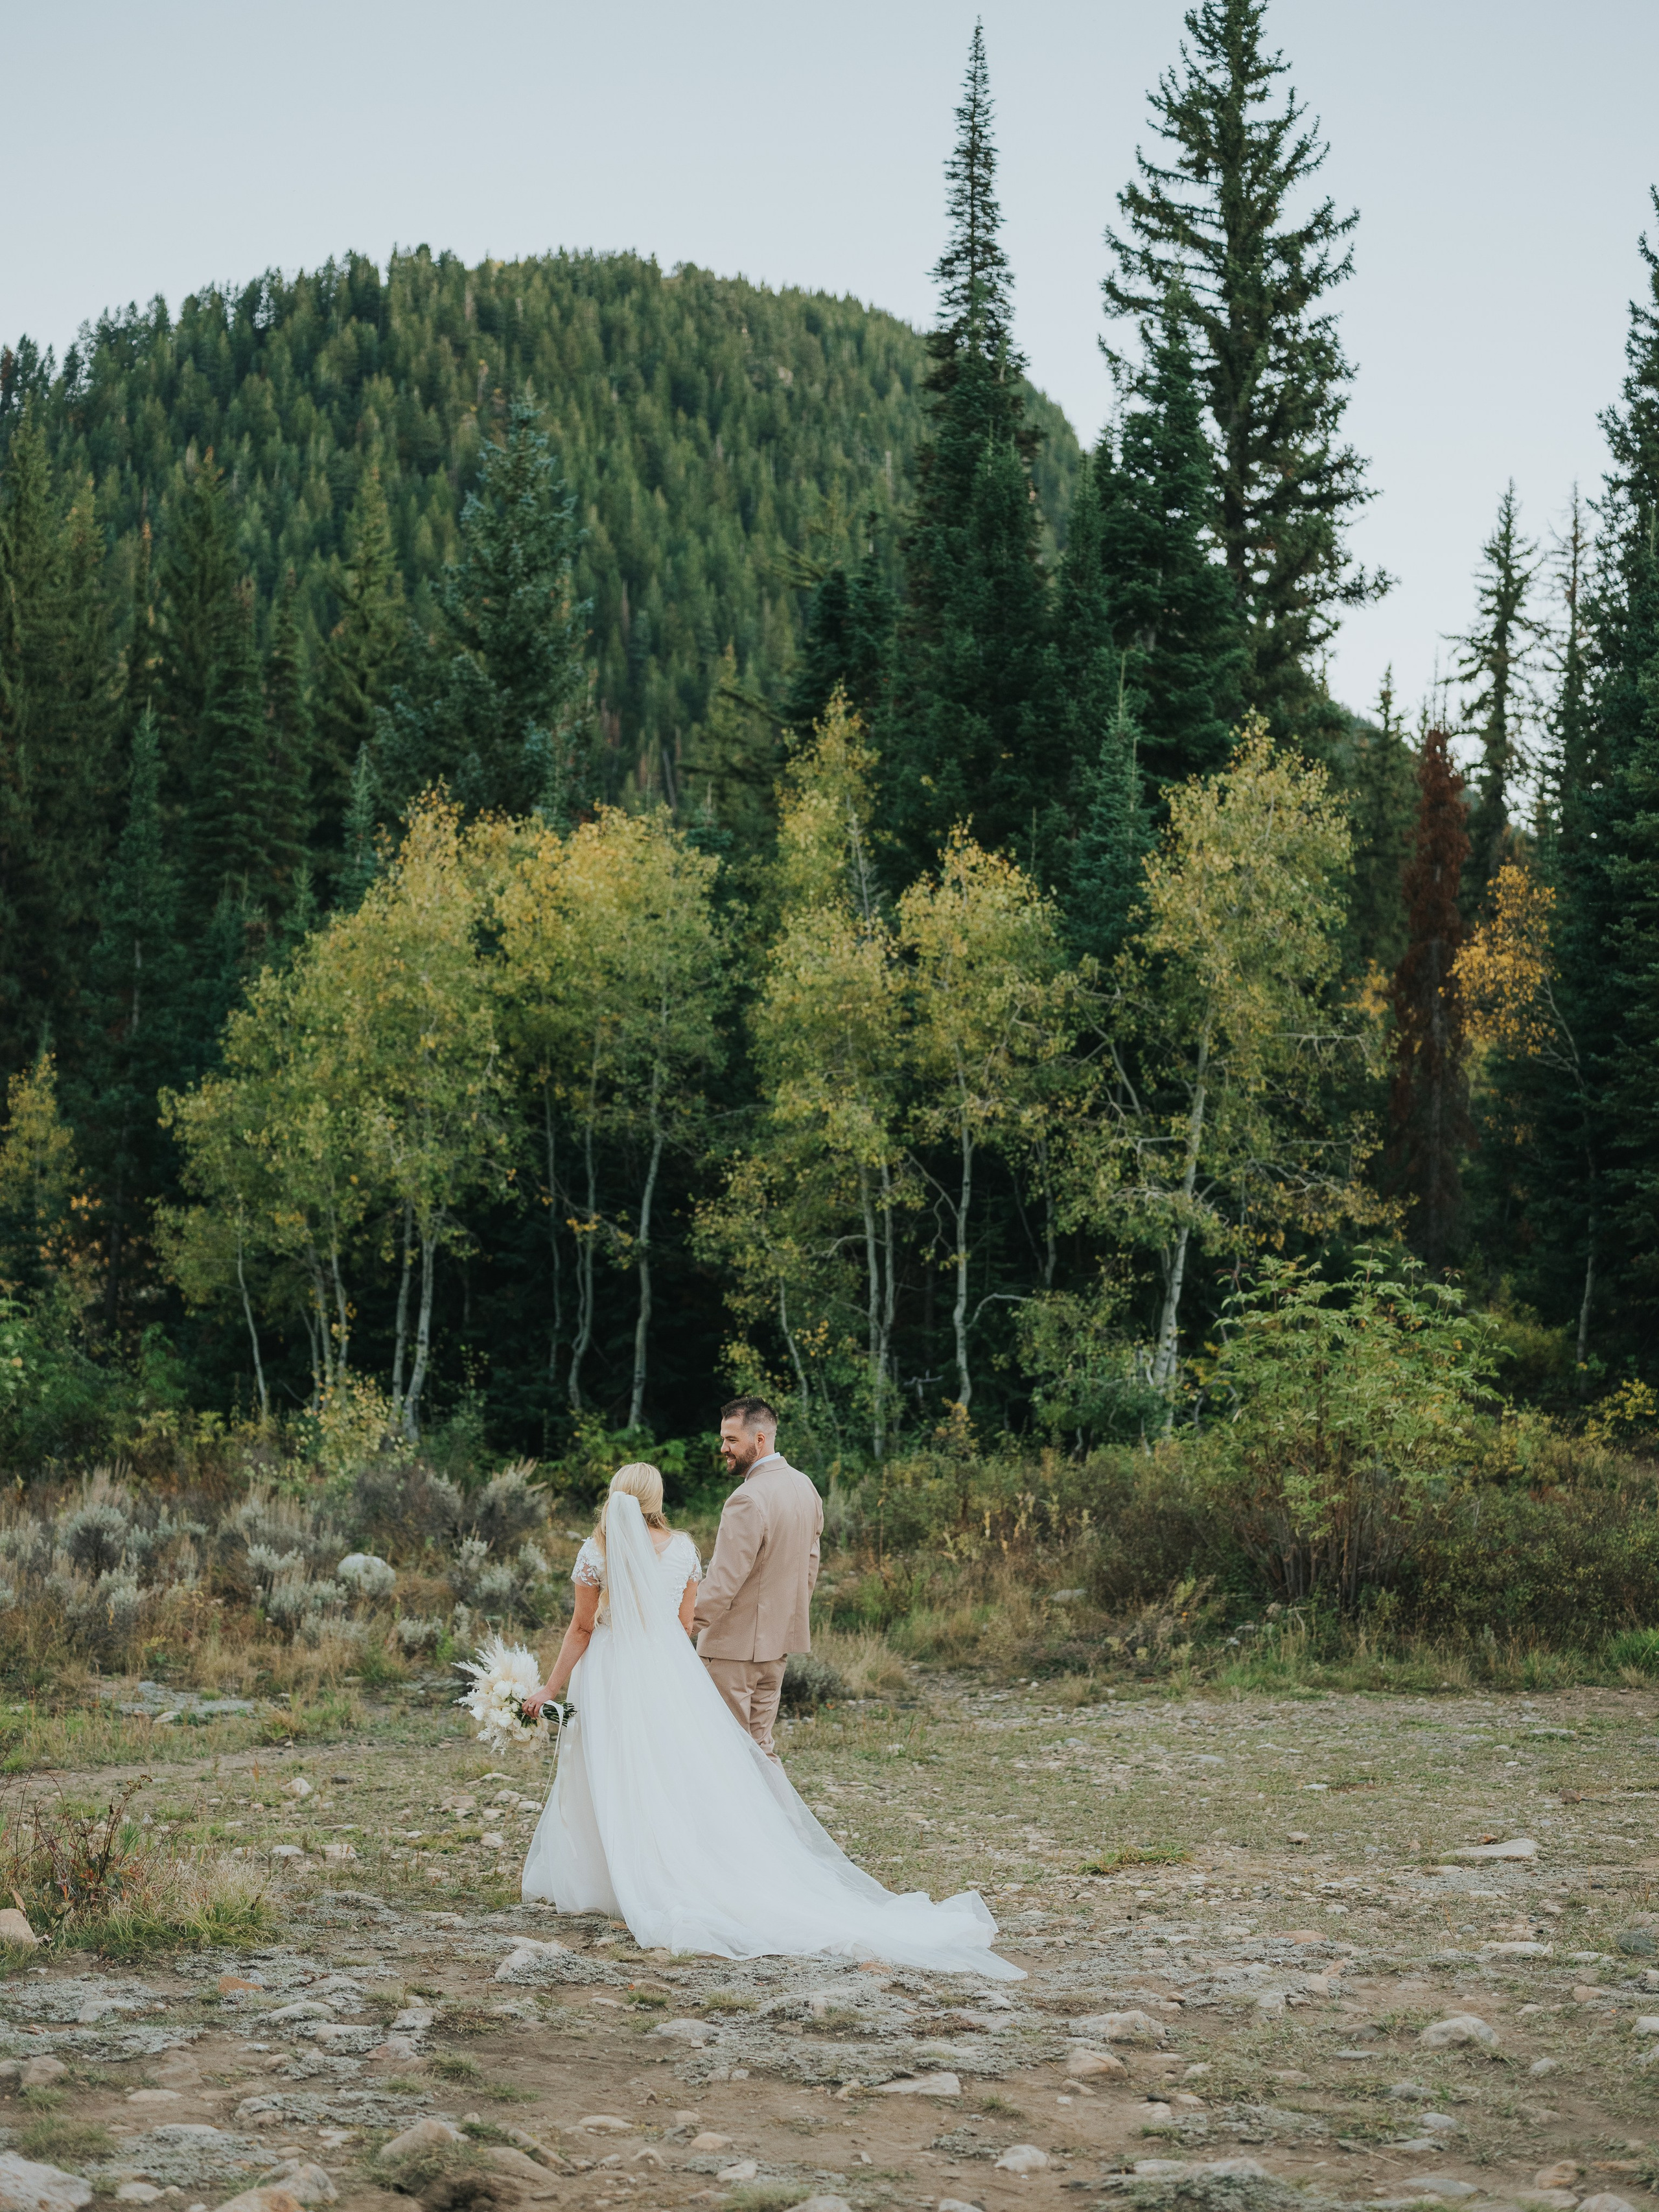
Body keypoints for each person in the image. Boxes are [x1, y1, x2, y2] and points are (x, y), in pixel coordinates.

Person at [520, 1458, 1020, 1976]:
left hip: (613, 1669)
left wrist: (550, 1687)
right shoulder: (686, 1550)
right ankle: (677, 1866)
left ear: (616, 1495)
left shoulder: (596, 1551)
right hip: (668, 1671)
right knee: (672, 1769)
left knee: (613, 1767)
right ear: (657, 1497)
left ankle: (608, 1878)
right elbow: (684, 1625)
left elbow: (581, 1628)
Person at [694, 1397, 822, 1760]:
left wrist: (680, 1623)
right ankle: (779, 1818)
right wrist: (785, 1617)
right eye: (724, 1439)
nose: (724, 1448)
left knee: (726, 1753)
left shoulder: (747, 1499)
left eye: (732, 1440)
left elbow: (722, 1583)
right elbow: (808, 1567)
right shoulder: (805, 1487)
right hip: (776, 1648)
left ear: (760, 1440)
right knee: (760, 1749)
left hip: (732, 1652)